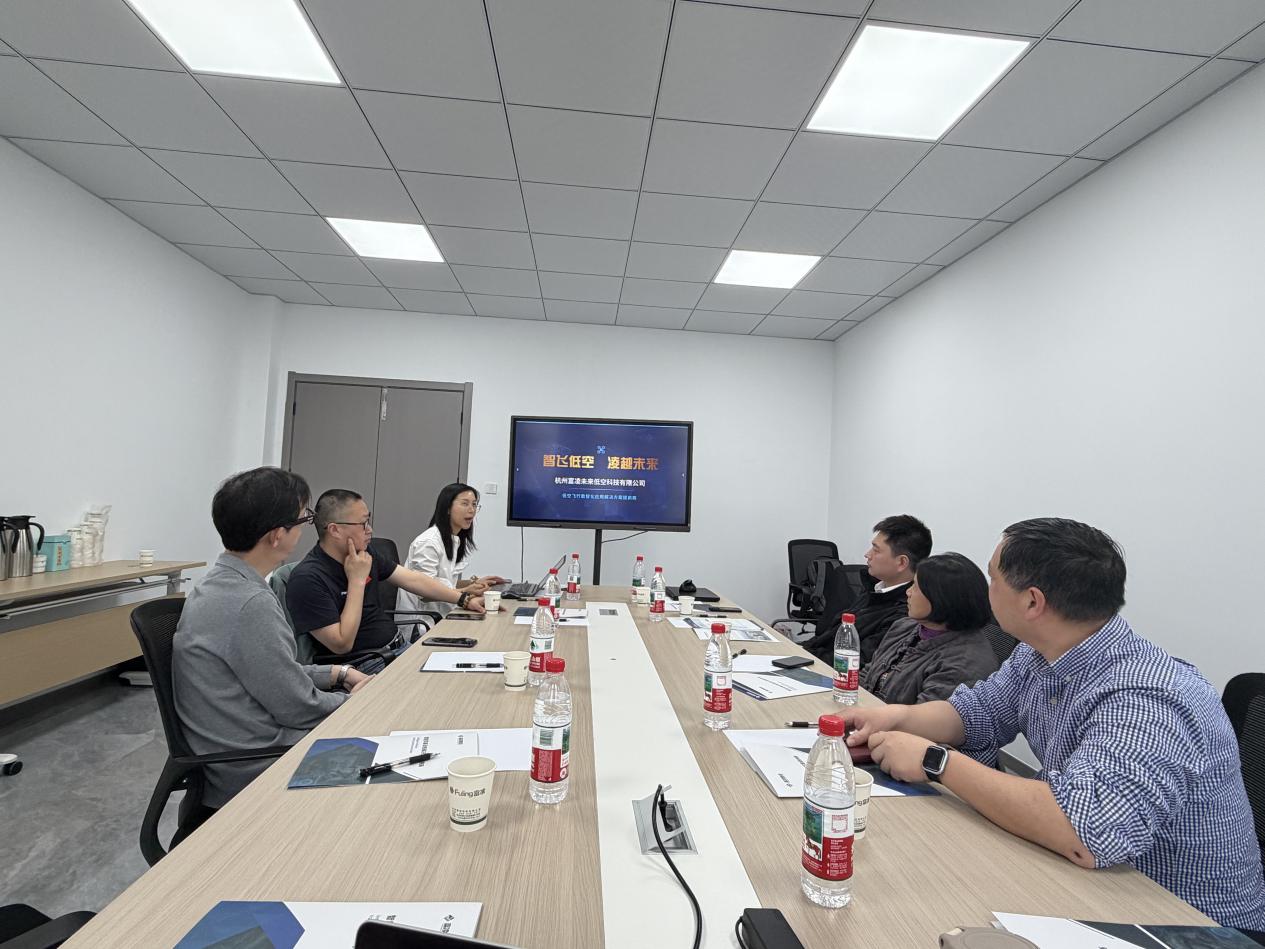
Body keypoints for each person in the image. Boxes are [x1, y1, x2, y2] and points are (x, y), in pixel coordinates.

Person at [844, 518, 1265, 930]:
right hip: (1093, 883)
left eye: (993, 579)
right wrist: (894, 716)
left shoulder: (1148, 696)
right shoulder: (1039, 653)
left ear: (1033, 602)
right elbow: (977, 712)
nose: (987, 592)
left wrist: (935, 761)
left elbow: (1086, 832)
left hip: (1188, 923)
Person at [173, 467, 372, 810]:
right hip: (261, 766)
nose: (306, 527)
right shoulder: (249, 602)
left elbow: (271, 670)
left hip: (246, 748)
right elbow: (298, 708)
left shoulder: (221, 584)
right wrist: (354, 701)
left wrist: (337, 673)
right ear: (278, 535)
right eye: (303, 518)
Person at [285, 488, 484, 672]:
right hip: (364, 664)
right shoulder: (307, 578)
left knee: (468, 666)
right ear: (335, 530)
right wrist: (357, 581)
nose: (370, 530)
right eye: (363, 524)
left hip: (398, 647)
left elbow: (414, 580)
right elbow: (341, 643)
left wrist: (464, 599)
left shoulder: (365, 554)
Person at [860, 552, 999, 704]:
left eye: (916, 587)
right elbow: (866, 675)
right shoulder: (904, 626)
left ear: (942, 598)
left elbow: (922, 717)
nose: (908, 592)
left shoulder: (964, 664)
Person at [805, 514, 932, 664]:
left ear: (901, 562)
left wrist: (804, 655)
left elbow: (855, 662)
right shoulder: (874, 590)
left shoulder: (904, 614)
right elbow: (826, 637)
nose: (867, 554)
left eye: (876, 550)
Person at [398, 483, 507, 623]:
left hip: (444, 614)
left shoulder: (453, 539)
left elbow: (444, 582)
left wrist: (474, 583)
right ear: (448, 508)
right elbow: (424, 593)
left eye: (474, 505)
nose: (472, 510)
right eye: (465, 504)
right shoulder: (428, 542)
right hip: (422, 622)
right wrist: (467, 591)